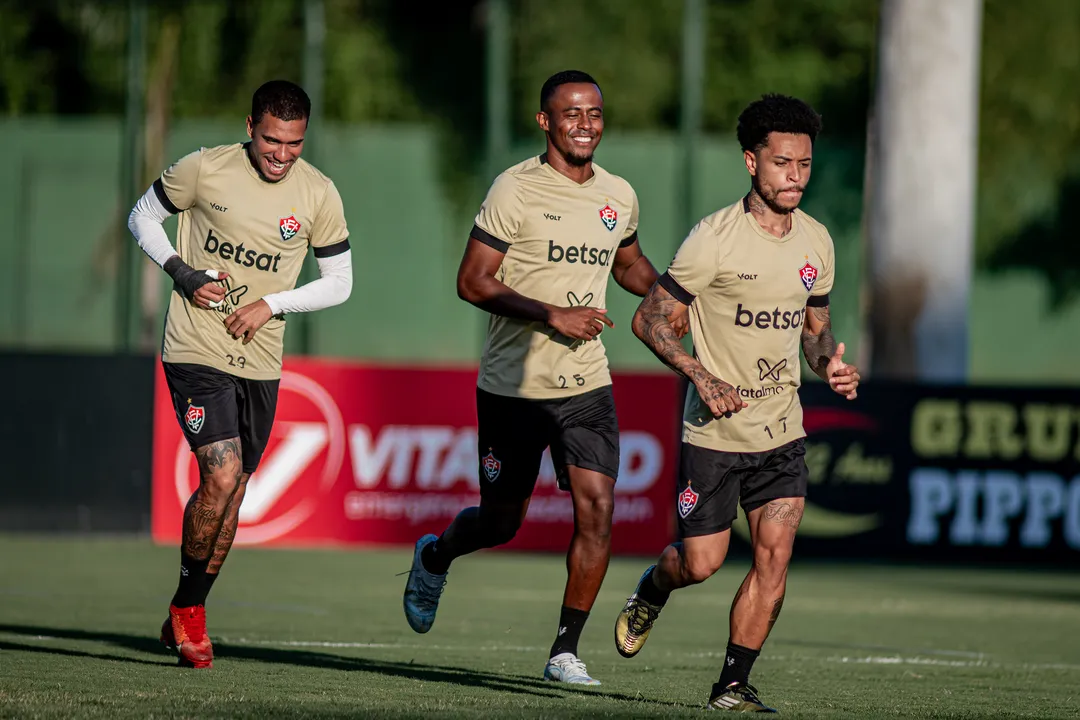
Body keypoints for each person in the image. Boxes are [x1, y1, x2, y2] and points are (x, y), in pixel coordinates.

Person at [402, 70, 681, 686]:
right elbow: (471, 280)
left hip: (586, 384)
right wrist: (552, 312)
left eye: (595, 113)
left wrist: (672, 294)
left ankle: (564, 652)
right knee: (502, 523)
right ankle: (436, 554)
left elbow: (628, 263)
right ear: (545, 122)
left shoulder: (619, 194)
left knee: (598, 509)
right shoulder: (516, 189)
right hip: (513, 388)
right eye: (571, 113)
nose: (585, 124)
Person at [612, 94, 860, 711]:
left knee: (774, 560)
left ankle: (732, 685)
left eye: (805, 164)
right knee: (701, 563)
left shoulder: (818, 241)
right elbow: (650, 321)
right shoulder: (714, 241)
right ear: (752, 162)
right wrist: (699, 372)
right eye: (782, 164)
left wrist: (828, 363)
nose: (796, 176)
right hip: (715, 436)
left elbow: (815, 327)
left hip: (782, 432)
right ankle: (652, 588)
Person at [127, 79, 353, 669]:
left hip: (261, 356)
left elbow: (340, 283)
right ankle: (191, 616)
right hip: (195, 347)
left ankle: (185, 605)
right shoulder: (204, 168)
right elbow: (142, 217)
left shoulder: (319, 194)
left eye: (295, 144)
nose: (282, 155)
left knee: (237, 492)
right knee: (221, 476)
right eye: (273, 141)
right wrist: (181, 272)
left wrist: (272, 304)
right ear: (250, 125)